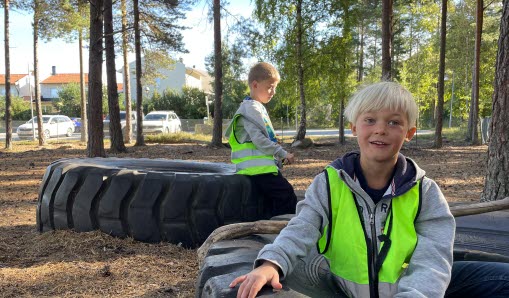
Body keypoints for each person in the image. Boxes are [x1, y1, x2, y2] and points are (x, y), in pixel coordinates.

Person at [230, 81, 509, 298]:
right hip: (341, 289)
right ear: (354, 127)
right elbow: (300, 229)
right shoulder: (329, 184)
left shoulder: (425, 192)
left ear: (409, 133)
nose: (381, 130)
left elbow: (433, 258)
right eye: (370, 120)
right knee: (271, 278)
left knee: (500, 278)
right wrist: (271, 264)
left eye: (394, 122)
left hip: (409, 290)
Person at [224, 62, 297, 218]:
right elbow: (260, 140)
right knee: (287, 197)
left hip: (259, 169)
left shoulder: (255, 107)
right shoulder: (251, 109)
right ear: (255, 85)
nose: (273, 92)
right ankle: (284, 232)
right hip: (258, 170)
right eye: (270, 87)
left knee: (270, 203)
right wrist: (282, 153)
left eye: (275, 87)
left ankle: (271, 229)